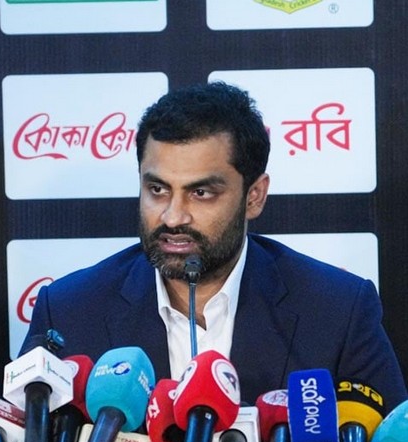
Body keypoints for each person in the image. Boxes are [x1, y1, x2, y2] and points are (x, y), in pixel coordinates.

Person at [23, 81, 407, 406]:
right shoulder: (70, 311)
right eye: (157, 189)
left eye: (201, 193)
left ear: (254, 196)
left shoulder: (338, 311)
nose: (173, 216)